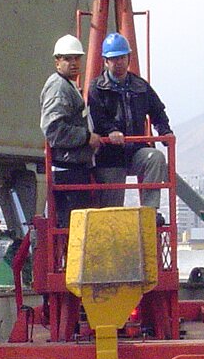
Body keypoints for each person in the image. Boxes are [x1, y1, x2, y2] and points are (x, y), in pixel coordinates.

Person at [88, 32, 172, 213]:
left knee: (155, 158)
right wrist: (111, 131)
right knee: (111, 206)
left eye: (122, 57)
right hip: (109, 155)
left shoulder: (140, 86)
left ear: (128, 58)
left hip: (135, 150)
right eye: (114, 58)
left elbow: (157, 111)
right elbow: (97, 116)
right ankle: (112, 230)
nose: (118, 62)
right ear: (105, 61)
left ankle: (150, 212)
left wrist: (164, 132)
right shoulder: (97, 88)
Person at [39, 34, 102, 226]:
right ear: (57, 62)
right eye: (67, 58)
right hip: (67, 171)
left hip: (72, 168)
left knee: (74, 228)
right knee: (72, 227)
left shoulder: (67, 85)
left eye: (76, 58)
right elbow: (53, 130)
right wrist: (86, 137)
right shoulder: (59, 88)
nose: (73, 63)